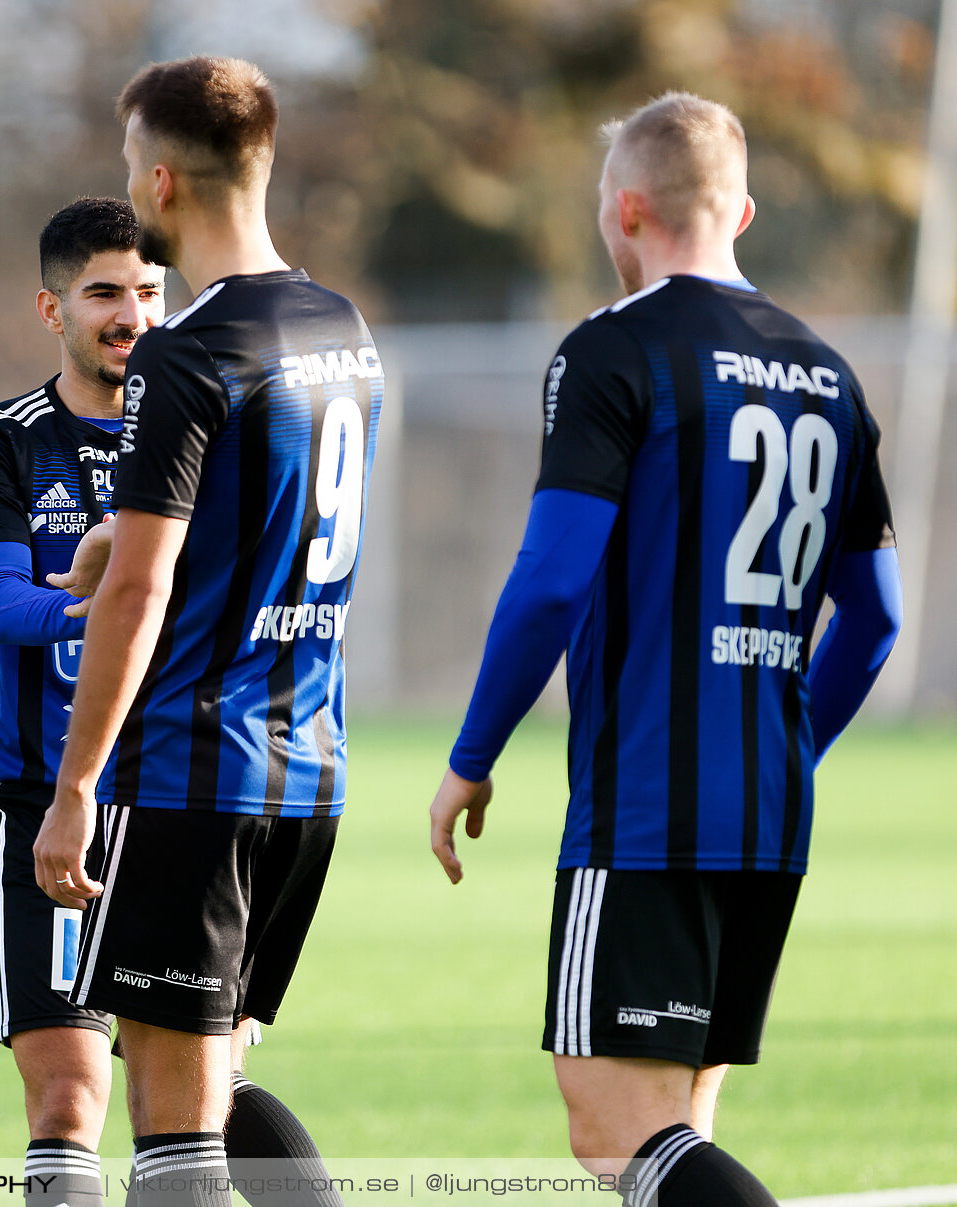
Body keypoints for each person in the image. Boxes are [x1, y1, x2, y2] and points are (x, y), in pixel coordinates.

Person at [428, 93, 901, 1206]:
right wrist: (791, 745)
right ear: (741, 210)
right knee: (681, 1121)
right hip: (769, 808)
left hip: (646, 804)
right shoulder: (831, 372)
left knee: (611, 1128)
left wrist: (471, 753)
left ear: (624, 207)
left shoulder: (610, 349)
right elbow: (874, 620)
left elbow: (551, 581)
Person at [0, 197, 341, 1207]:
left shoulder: (215, 403)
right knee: (69, 1093)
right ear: (52, 307)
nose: (132, 313)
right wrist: (118, 604)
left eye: (150, 291)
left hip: (185, 789)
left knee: (207, 1091)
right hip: (51, 797)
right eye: (105, 293)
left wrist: (139, 594)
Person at [33, 59, 384, 1207]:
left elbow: (138, 591)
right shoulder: (340, 326)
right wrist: (112, 546)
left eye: (133, 171)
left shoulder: (187, 351)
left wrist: (77, 780)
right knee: (209, 1079)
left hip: (193, 771)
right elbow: (234, 524)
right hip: (308, 772)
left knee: (172, 1138)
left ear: (163, 179)